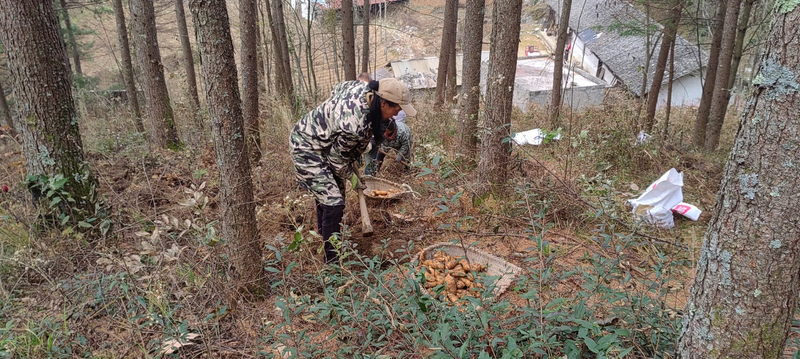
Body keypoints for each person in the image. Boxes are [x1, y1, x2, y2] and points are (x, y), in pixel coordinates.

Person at [290, 78, 416, 263]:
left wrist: (337, 127)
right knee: (334, 201)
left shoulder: (364, 89)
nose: (397, 113)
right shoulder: (355, 125)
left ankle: (325, 236)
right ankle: (332, 261)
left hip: (327, 144)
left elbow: (338, 87)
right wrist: (351, 177)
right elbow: (336, 160)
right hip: (306, 146)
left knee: (333, 195)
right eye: (397, 108)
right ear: (383, 103)